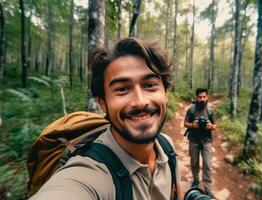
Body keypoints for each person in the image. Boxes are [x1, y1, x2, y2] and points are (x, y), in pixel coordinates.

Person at [30, 37, 183, 200]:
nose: (140, 101)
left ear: (165, 94)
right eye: (122, 89)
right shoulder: (88, 174)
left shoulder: (167, 147)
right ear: (102, 103)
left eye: (150, 85)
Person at [184, 88, 216, 199]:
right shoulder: (191, 110)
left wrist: (210, 126)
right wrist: (193, 125)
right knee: (194, 163)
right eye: (200, 97)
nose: (202, 99)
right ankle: (196, 181)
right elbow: (185, 123)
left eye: (204, 97)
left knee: (207, 165)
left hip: (207, 141)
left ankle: (208, 189)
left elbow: (215, 125)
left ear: (207, 97)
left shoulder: (210, 110)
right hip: (194, 140)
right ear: (196, 97)